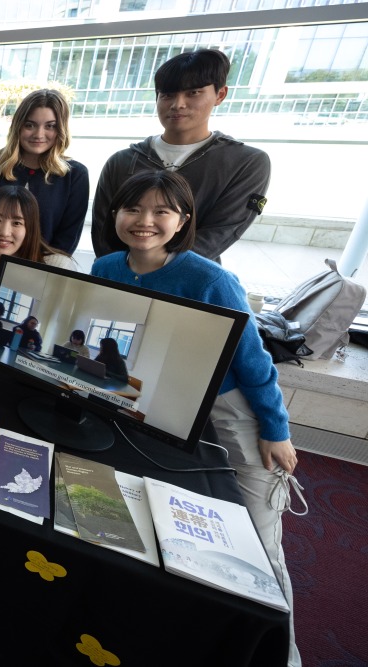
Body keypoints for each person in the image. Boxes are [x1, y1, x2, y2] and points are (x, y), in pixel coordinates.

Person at [91, 169, 301, 667]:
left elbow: (254, 363)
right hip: (157, 399)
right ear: (115, 214)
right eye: (133, 209)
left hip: (228, 405)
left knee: (257, 538)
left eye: (161, 211)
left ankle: (281, 652)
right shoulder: (105, 265)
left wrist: (276, 430)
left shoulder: (212, 280)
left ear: (183, 219)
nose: (145, 221)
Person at [91, 49, 271, 263]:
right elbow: (103, 231)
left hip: (189, 282)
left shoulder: (245, 163)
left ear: (220, 95)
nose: (178, 104)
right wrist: (119, 272)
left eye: (193, 92)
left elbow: (220, 233)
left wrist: (154, 271)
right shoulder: (122, 161)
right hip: (120, 279)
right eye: (167, 95)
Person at [0, 186, 78, 362]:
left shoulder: (59, 266)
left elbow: (63, 329)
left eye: (17, 223)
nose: (4, 232)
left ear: (29, 229)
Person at [0, 89, 88, 255]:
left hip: (43, 273)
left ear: (60, 130)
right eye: (30, 125)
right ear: (18, 126)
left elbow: (67, 239)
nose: (39, 134)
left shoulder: (75, 176)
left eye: (50, 126)